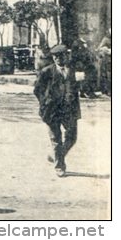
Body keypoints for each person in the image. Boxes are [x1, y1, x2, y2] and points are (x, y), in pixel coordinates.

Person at [34, 44, 81, 177]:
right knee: (56, 139)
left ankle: (55, 156)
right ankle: (59, 166)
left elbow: (76, 88)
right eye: (55, 57)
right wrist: (45, 103)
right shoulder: (47, 72)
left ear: (67, 56)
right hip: (52, 110)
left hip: (69, 110)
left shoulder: (73, 71)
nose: (58, 59)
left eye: (61, 56)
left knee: (72, 137)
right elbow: (37, 90)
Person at [95, 30, 111, 96]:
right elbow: (99, 48)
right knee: (109, 75)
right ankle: (109, 90)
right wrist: (107, 50)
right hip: (108, 60)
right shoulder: (106, 39)